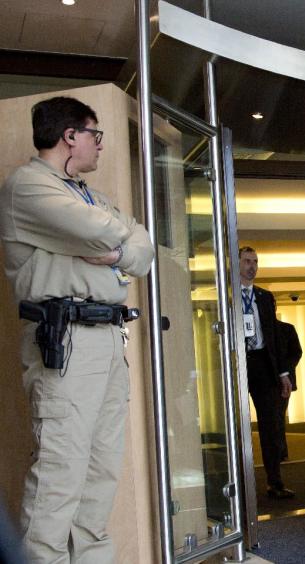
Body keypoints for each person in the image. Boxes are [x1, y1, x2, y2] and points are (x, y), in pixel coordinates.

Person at [0, 96, 155, 562]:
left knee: (101, 470)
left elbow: (142, 250)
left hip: (108, 336)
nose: (99, 146)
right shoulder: (27, 187)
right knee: (59, 472)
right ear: (70, 136)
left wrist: (119, 249)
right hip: (64, 339)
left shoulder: (90, 193)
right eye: (95, 134)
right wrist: (119, 242)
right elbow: (108, 232)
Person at [239, 246, 294, 499]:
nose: (252, 266)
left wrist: (284, 374)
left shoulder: (264, 297)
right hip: (238, 363)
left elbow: (274, 337)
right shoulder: (227, 296)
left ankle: (275, 481)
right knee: (236, 425)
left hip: (263, 364)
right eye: (248, 261)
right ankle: (236, 485)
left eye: (255, 261)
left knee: (271, 425)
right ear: (237, 264)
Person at [276, 319, 303, 461]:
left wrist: (284, 370)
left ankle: (280, 451)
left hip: (284, 380)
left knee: (279, 415)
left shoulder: (287, 328)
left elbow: (296, 352)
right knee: (276, 416)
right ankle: (279, 451)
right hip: (266, 380)